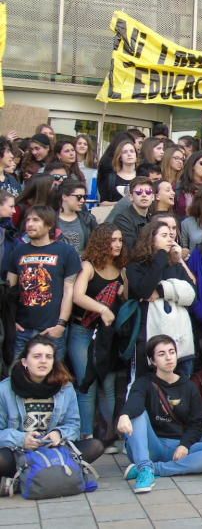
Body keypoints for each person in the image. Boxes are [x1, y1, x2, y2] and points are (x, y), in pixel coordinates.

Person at [117, 335, 202, 493]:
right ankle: (145, 469)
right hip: (149, 444)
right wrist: (124, 415)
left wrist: (184, 445)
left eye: (171, 352)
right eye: (161, 354)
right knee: (137, 413)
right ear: (153, 361)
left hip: (175, 446)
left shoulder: (189, 387)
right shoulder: (144, 382)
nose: (168, 357)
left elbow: (196, 424)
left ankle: (154, 469)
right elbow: (135, 401)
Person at [0, 336, 104, 487]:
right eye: (37, 356)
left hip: (54, 450)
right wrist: (22, 439)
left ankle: (22, 481)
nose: (43, 361)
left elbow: (73, 425)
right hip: (19, 453)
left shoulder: (65, 387)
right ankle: (50, 475)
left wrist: (59, 434)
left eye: (48, 357)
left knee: (96, 446)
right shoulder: (4, 389)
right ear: (24, 362)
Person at [68, 223, 125, 441]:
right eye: (112, 240)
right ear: (101, 242)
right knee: (87, 383)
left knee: (109, 384)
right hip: (82, 331)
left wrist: (124, 290)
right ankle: (87, 436)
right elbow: (77, 296)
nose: (118, 244)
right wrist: (101, 308)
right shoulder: (88, 266)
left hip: (107, 336)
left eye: (120, 240)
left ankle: (109, 435)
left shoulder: (123, 269)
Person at [6, 205, 81, 361]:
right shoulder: (18, 251)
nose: (30, 224)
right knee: (17, 377)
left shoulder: (66, 251)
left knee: (53, 380)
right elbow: (9, 291)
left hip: (52, 330)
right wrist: (11, 321)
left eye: (36, 220)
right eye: (27, 220)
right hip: (22, 330)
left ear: (49, 225)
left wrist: (61, 325)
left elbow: (69, 291)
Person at [126, 221, 197, 379]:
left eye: (171, 236)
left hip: (180, 341)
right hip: (151, 338)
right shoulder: (136, 265)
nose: (170, 239)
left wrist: (162, 290)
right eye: (164, 236)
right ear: (150, 239)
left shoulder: (175, 265)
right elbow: (144, 290)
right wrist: (161, 256)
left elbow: (191, 295)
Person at [112, 176, 154, 250]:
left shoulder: (153, 218)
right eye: (139, 192)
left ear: (153, 197)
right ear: (131, 197)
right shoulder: (122, 220)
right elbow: (132, 249)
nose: (144, 195)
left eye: (148, 192)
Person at [56, 179, 96, 255]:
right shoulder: (50, 220)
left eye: (85, 197)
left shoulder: (88, 219)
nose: (82, 200)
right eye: (79, 197)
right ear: (64, 197)